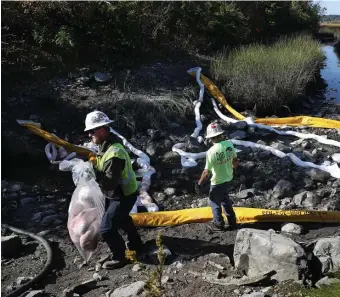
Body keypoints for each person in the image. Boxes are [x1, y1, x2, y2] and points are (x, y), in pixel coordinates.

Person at [84, 110, 144, 269]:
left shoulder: (114, 153)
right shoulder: (106, 146)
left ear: (102, 130)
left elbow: (108, 183)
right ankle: (137, 245)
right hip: (122, 192)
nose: (89, 135)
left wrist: (93, 173)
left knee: (107, 228)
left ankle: (120, 257)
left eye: (92, 131)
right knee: (123, 219)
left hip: (122, 194)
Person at [197, 122, 239, 231]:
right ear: (221, 135)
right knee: (225, 199)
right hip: (228, 178)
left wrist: (199, 183)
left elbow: (206, 172)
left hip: (217, 182)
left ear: (210, 138)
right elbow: (235, 160)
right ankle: (232, 221)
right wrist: (234, 169)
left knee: (214, 202)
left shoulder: (211, 152)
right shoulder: (229, 144)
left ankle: (219, 223)